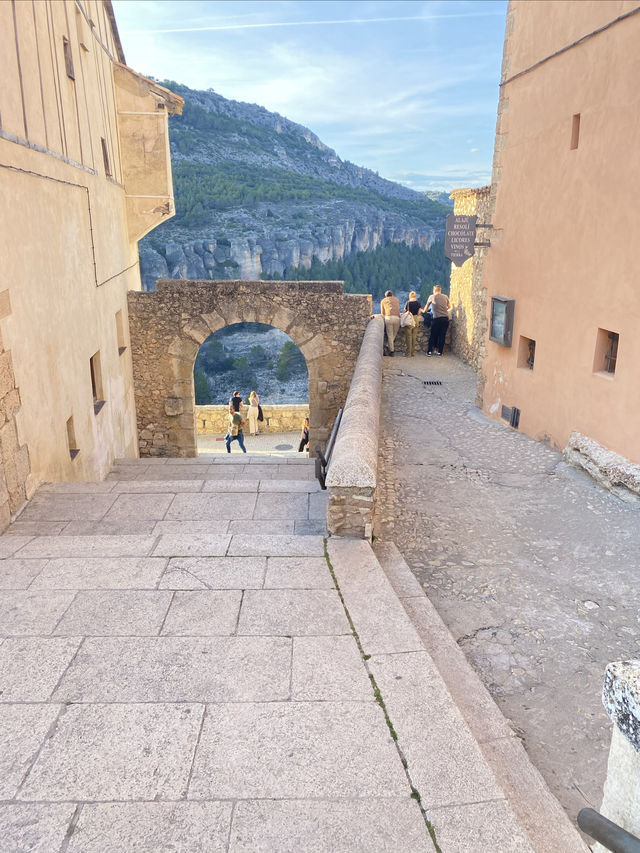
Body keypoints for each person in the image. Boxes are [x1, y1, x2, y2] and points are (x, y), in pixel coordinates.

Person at [426, 285, 451, 356]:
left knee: (433, 335)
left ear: (434, 290)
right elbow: (449, 307)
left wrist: (423, 311)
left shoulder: (432, 297)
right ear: (440, 290)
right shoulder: (445, 296)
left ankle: (429, 351)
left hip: (436, 318)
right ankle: (440, 352)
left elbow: (426, 307)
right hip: (445, 318)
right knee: (442, 335)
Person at [380, 290, 401, 356]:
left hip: (388, 318)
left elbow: (382, 313)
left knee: (390, 335)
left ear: (385, 296)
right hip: (397, 318)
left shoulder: (383, 301)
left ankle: (391, 350)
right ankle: (389, 348)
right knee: (394, 334)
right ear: (392, 294)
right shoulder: (396, 300)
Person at [403, 290, 422, 357]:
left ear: (410, 296)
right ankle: (412, 352)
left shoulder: (408, 303)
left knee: (409, 337)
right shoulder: (418, 303)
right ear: (415, 296)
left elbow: (404, 311)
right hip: (416, 319)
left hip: (409, 320)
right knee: (414, 337)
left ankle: (408, 353)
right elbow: (419, 312)